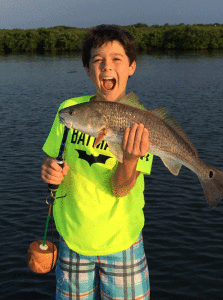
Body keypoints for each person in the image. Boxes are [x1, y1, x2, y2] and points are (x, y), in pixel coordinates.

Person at [41, 24, 153, 300]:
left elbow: (121, 189)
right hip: (72, 238)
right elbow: (51, 158)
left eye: (117, 59)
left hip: (122, 240)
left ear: (132, 67)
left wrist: (129, 160)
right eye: (98, 60)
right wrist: (49, 170)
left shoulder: (142, 124)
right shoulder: (69, 110)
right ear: (89, 70)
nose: (107, 67)